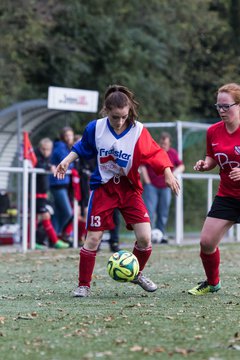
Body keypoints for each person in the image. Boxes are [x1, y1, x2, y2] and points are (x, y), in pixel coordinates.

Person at [54, 84, 180, 297]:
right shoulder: (96, 127)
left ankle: (136, 274)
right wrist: (65, 161)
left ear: (129, 111)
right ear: (106, 111)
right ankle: (83, 285)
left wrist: (167, 172)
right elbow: (81, 147)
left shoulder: (138, 130)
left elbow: (155, 153)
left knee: (145, 238)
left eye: (124, 116)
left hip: (129, 188)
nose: (120, 121)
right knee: (93, 240)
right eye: (115, 117)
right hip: (103, 188)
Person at [188, 82, 240, 295]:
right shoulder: (213, 131)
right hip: (227, 196)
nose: (221, 110)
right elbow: (212, 158)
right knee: (206, 242)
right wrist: (205, 165)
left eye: (226, 106)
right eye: (218, 106)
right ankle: (213, 283)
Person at [141, 132, 185, 243]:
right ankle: (147, 235)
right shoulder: (153, 152)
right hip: (151, 186)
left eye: (165, 143)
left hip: (166, 187)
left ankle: (160, 234)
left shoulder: (173, 153)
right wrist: (147, 181)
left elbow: (181, 166)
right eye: (161, 142)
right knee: (149, 212)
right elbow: (143, 166)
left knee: (163, 212)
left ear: (169, 143)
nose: (163, 145)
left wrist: (173, 175)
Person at [34, 138, 69, 250]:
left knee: (45, 215)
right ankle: (52, 241)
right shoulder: (36, 157)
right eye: (43, 149)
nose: (46, 152)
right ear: (40, 148)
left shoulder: (49, 158)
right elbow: (37, 165)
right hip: (35, 193)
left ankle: (48, 241)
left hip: (43, 193)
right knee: (41, 216)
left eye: (48, 149)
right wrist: (49, 167)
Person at [49, 127, 75, 242]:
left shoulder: (66, 147)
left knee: (59, 212)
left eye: (71, 135)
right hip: (57, 184)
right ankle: (57, 234)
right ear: (63, 137)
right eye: (67, 135)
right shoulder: (60, 147)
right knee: (67, 212)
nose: (69, 138)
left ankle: (53, 237)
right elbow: (66, 162)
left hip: (63, 184)